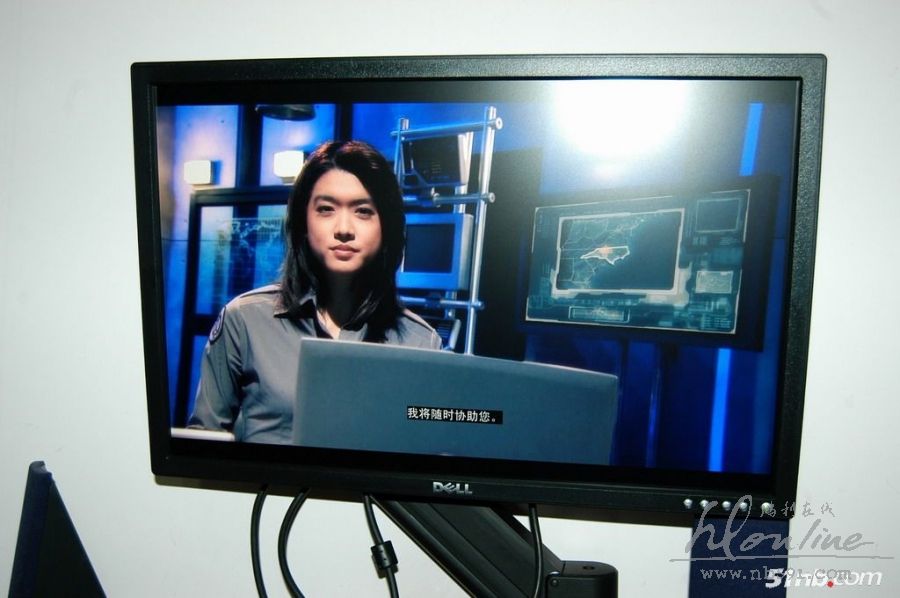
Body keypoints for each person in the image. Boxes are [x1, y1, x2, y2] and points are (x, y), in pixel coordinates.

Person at [188, 140, 441, 443]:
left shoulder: (421, 342)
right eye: (326, 209)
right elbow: (203, 444)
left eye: (363, 211)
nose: (344, 228)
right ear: (303, 223)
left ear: (386, 226)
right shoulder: (244, 320)